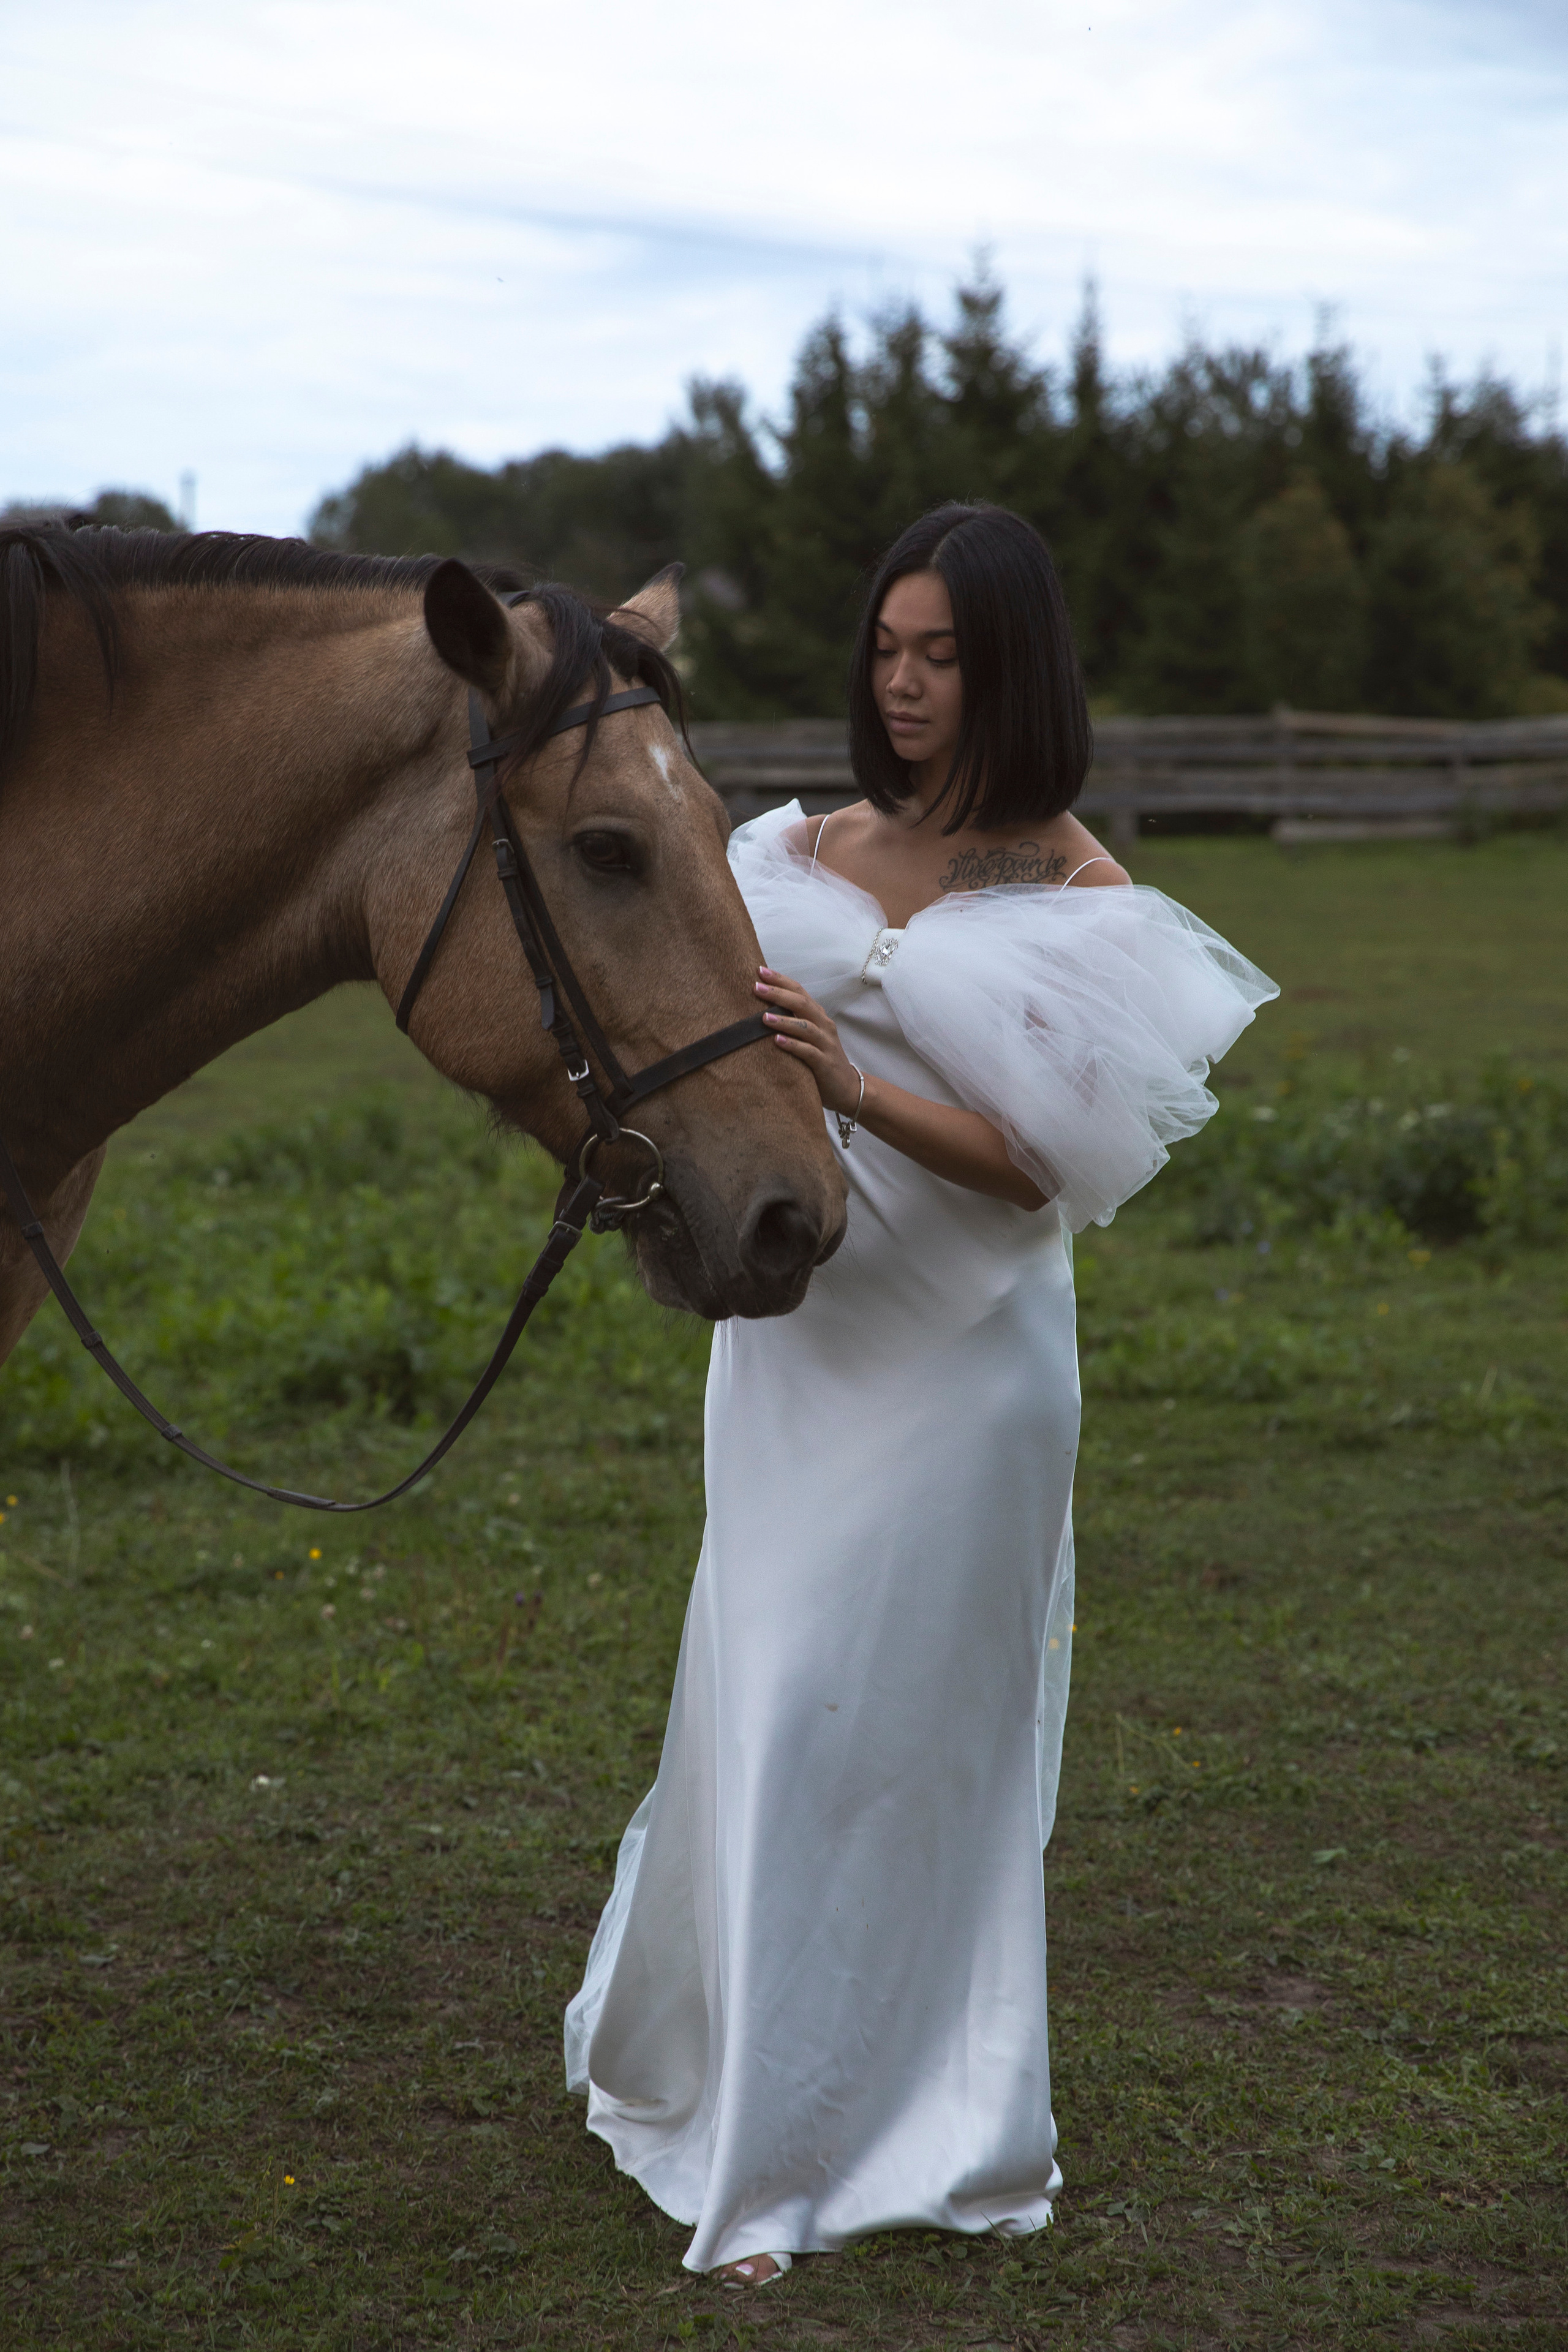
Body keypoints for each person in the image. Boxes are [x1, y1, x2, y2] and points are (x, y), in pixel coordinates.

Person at [565, 503, 1276, 2283]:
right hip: (800, 1348)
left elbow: (1046, 1167)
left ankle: (923, 2122)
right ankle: (748, 2112)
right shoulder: (790, 847)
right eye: (887, 649)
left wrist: (860, 1095)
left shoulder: (1082, 891)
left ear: (1011, 664)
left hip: (969, 1370)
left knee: (923, 1749)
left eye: (941, 655)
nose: (903, 682)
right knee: (780, 1701)